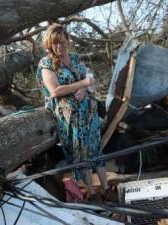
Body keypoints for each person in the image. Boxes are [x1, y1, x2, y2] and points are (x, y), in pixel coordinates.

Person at [36, 23, 116, 202]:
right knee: (82, 153)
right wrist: (81, 85)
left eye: (62, 43)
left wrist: (85, 90)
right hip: (70, 116)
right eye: (55, 43)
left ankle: (106, 188)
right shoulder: (46, 63)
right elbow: (55, 90)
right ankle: (93, 193)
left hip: (88, 112)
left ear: (68, 42)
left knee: (96, 149)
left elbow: (90, 79)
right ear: (49, 44)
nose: (58, 47)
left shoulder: (74, 58)